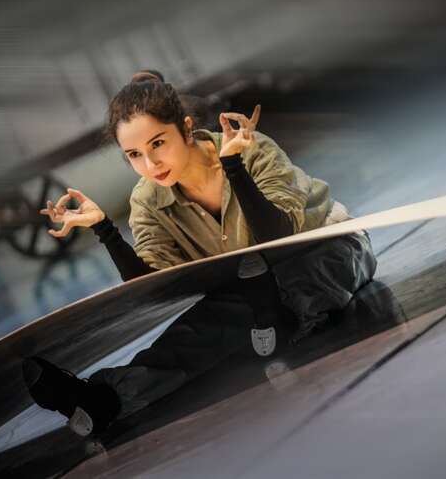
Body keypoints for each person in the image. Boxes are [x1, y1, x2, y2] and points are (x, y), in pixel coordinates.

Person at [22, 72, 376, 436]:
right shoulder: (147, 200)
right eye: (134, 155)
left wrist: (233, 166)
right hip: (248, 289)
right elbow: (155, 286)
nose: (150, 164)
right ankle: (102, 400)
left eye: (158, 143)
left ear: (186, 129)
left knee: (285, 288)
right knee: (208, 324)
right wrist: (105, 230)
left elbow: (278, 235)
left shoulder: (250, 148)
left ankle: (275, 319)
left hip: (325, 248)